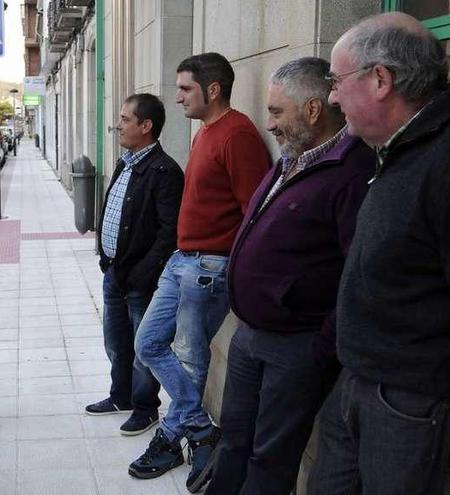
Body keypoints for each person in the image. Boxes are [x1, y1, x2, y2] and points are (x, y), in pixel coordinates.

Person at [309, 13, 450, 494]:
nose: (332, 96)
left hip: (408, 405)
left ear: (381, 79)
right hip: (358, 382)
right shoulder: (403, 144)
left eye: (336, 81)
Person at [205, 58, 374, 495]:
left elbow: (360, 275)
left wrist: (320, 346)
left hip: (297, 346)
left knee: (270, 456)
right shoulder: (292, 158)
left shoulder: (352, 172)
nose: (270, 124)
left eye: (277, 112)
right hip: (250, 335)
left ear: (314, 109)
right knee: (235, 437)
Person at [129, 53, 271, 493]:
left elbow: (256, 213)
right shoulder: (205, 132)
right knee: (148, 342)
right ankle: (200, 428)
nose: (178, 97)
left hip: (210, 266)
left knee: (190, 358)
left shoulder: (239, 135)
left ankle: (173, 437)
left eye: (186, 89)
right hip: (182, 260)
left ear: (212, 90)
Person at [86, 93, 184, 437]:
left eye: (125, 120)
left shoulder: (165, 171)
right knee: (116, 340)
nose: (118, 125)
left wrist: (144, 273)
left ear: (146, 126)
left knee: (144, 347)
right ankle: (120, 396)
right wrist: (104, 257)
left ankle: (145, 407)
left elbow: (169, 232)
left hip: (141, 279)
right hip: (114, 271)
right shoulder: (126, 161)